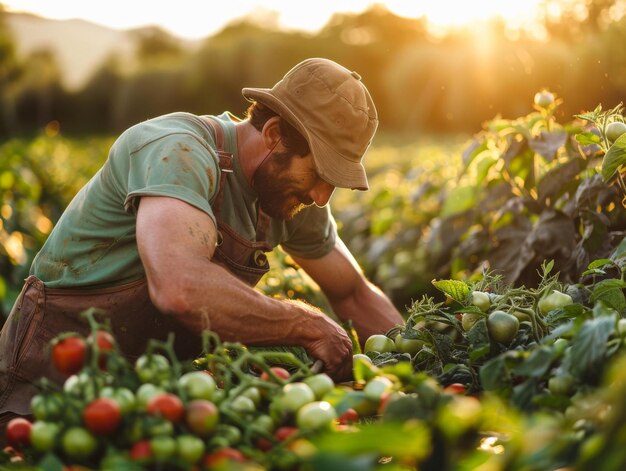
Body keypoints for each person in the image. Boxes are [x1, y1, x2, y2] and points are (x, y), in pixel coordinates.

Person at [0, 57, 404, 431]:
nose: (321, 196)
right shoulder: (178, 149)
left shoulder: (290, 196)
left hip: (148, 395)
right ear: (274, 134)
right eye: (319, 173)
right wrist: (306, 323)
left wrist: (417, 364)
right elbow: (180, 287)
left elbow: (351, 293)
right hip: (45, 382)